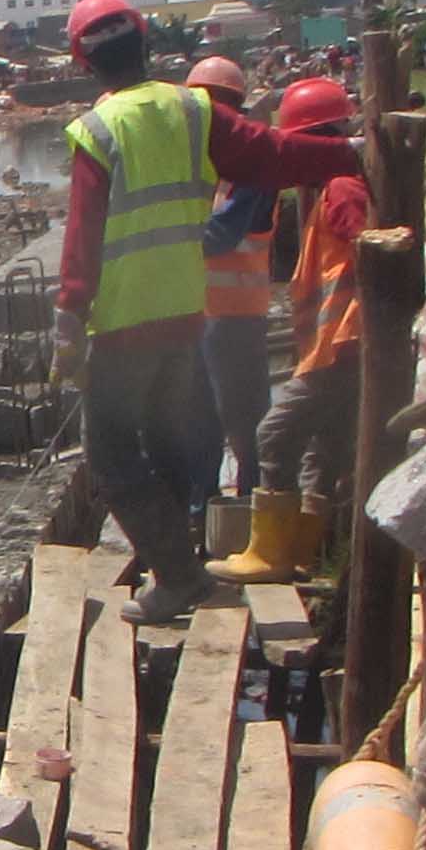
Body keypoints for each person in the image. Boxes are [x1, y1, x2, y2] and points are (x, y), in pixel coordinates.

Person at [52, 0, 362, 622]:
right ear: (146, 44)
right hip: (187, 316)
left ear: (85, 63)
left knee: (112, 458)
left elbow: (83, 235)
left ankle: (178, 576)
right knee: (166, 443)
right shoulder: (192, 109)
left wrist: (67, 316)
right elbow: (272, 154)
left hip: (122, 322)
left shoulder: (99, 130)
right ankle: (182, 566)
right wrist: (352, 150)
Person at [227, 75, 367, 582]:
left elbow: (370, 249)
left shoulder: (342, 188)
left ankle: (272, 554)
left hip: (342, 345)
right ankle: (314, 553)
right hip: (337, 347)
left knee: (274, 436)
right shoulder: (331, 189)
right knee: (323, 452)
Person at [190, 55, 281, 535]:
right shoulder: (210, 164)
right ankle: (210, 516)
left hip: (236, 317)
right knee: (209, 418)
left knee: (236, 421)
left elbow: (220, 236)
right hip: (206, 314)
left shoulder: (250, 168)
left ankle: (243, 517)